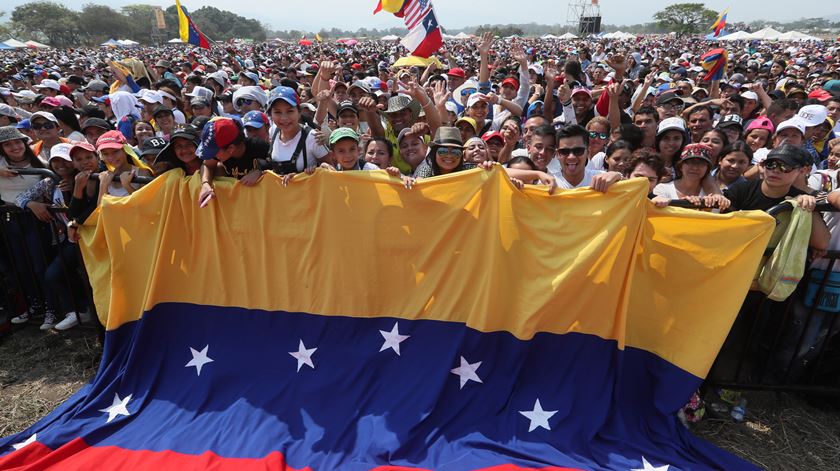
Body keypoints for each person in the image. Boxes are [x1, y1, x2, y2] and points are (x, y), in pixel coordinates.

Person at [198, 117, 271, 208]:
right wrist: (205, 184)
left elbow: (278, 167)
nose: (212, 155)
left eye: (214, 152)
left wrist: (261, 172)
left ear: (231, 149)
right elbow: (207, 165)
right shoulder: (222, 152)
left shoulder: (259, 147)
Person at [266, 86, 328, 174]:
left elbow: (330, 169)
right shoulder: (273, 131)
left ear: (299, 112)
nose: (284, 118)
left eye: (290, 111)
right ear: (270, 114)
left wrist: (315, 171)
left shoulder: (313, 137)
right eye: (277, 112)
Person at [653, 144, 730, 210]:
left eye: (701, 163)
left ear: (707, 169)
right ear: (680, 166)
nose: (695, 168)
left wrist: (709, 207)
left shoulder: (712, 197)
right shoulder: (662, 189)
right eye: (690, 162)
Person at [550, 124, 622, 192]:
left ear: (587, 152)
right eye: (564, 151)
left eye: (578, 151)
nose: (571, 157)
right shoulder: (548, 184)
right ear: (557, 154)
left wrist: (618, 176)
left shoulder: (602, 180)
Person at [94, 130, 152, 202]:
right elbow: (100, 210)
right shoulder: (105, 177)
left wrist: (127, 185)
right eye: (105, 154)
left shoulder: (143, 173)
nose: (111, 157)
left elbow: (145, 206)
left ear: (125, 150)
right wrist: (103, 185)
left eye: (115, 151)